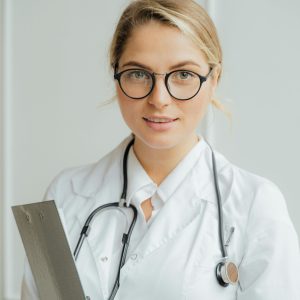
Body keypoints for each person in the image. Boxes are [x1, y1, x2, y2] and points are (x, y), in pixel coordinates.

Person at [21, 0, 300, 299]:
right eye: (139, 74)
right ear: (116, 76)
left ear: (214, 79)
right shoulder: (65, 194)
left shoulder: (255, 205)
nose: (160, 99)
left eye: (183, 75)